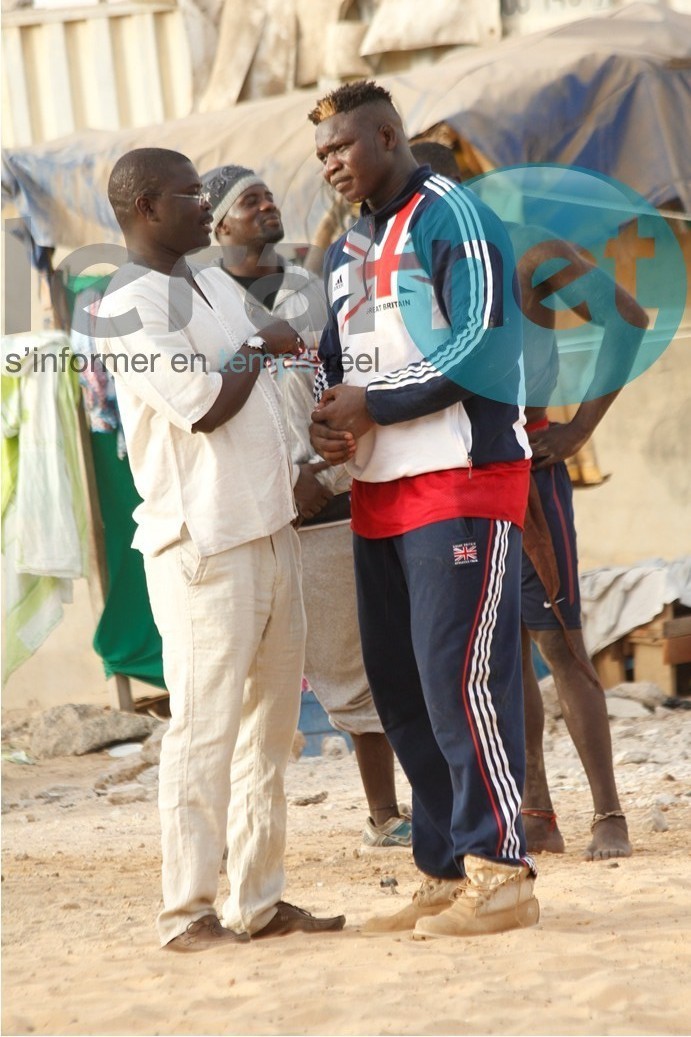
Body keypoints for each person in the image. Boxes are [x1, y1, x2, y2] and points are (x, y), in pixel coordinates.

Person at [307, 81, 539, 939]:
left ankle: (501, 869)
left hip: (461, 478)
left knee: (459, 677)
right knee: (402, 690)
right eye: (321, 155)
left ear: (387, 135)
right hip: (379, 490)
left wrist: (373, 403)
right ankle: (445, 868)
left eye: (342, 147)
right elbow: (340, 361)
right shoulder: (344, 246)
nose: (330, 164)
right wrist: (331, 416)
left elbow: (477, 344)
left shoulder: (454, 215)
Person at [99, 147, 345, 951]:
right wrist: (260, 346)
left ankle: (257, 901)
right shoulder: (126, 307)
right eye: (187, 192)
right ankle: (186, 913)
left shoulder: (207, 283)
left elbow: (272, 380)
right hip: (202, 544)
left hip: (270, 528)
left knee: (273, 733)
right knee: (203, 731)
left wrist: (307, 452)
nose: (205, 202)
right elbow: (203, 406)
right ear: (144, 208)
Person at [410, 140, 646, 860]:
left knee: (559, 644)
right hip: (454, 479)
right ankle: (535, 810)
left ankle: (608, 813)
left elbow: (626, 316)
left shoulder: (526, 255)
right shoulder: (413, 272)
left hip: (528, 472)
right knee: (493, 657)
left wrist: (577, 426)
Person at [199, 163, 412, 851]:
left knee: (390, 655)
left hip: (347, 490)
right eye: (248, 201)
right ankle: (378, 815)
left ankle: (409, 806)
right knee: (329, 671)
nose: (266, 206)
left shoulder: (310, 289)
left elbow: (355, 381)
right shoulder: (204, 308)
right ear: (218, 224)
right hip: (268, 512)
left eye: (268, 195)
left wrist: (325, 475)